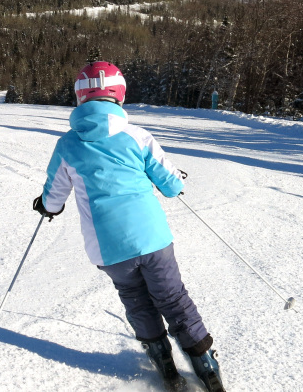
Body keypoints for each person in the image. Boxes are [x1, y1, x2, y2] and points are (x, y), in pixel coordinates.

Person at [32, 61, 224, 392]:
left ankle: (162, 359)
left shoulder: (68, 145)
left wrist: (46, 206)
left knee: (135, 299)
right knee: (173, 298)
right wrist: (177, 182)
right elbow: (168, 183)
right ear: (119, 95)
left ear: (80, 98)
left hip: (108, 248)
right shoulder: (137, 136)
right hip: (152, 239)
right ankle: (204, 363)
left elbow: (54, 196)